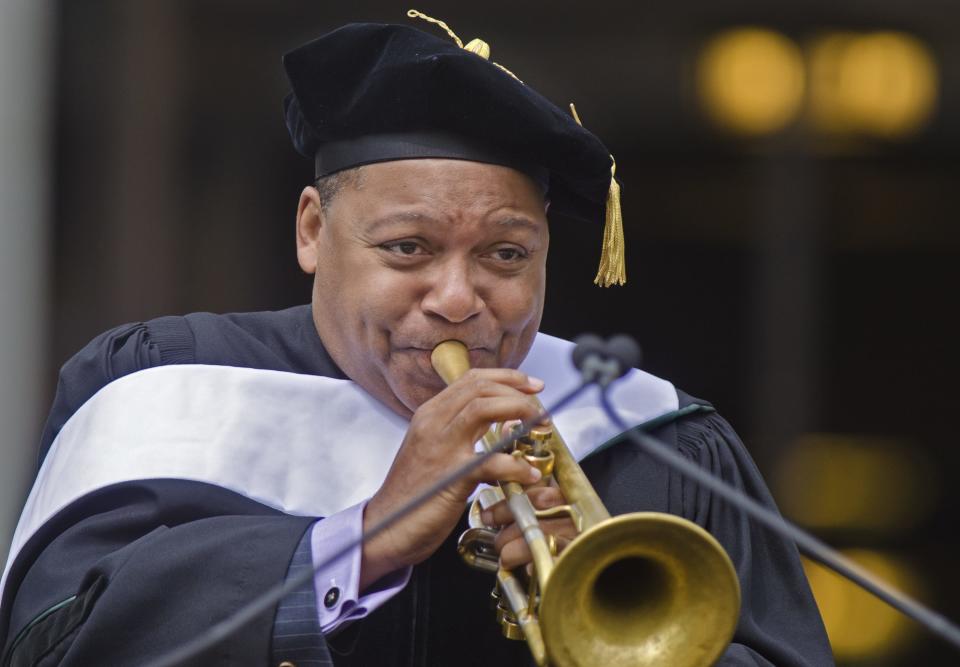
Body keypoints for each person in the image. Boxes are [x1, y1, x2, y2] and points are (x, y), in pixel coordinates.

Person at [0, 15, 832, 667]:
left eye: (506, 255)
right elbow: (56, 644)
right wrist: (360, 540)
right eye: (409, 249)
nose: (459, 299)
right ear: (313, 230)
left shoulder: (650, 439)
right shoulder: (159, 389)